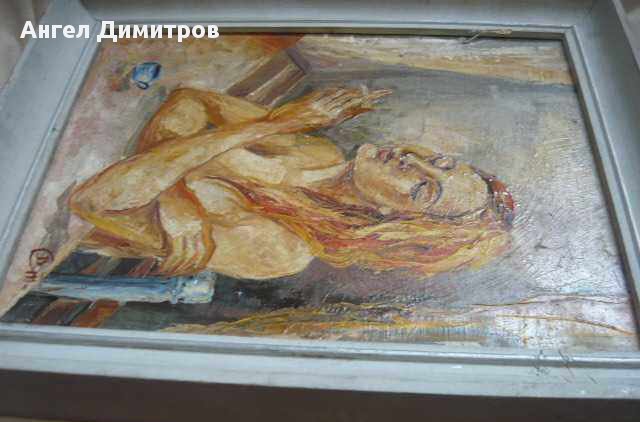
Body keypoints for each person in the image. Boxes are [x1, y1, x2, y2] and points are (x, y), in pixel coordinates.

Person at [69, 86, 514, 280]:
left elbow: (96, 201)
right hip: (89, 147)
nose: (411, 161)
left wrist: (275, 124)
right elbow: (193, 100)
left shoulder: (281, 250)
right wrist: (173, 191)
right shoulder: (321, 157)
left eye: (422, 188)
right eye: (436, 160)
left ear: (392, 219)